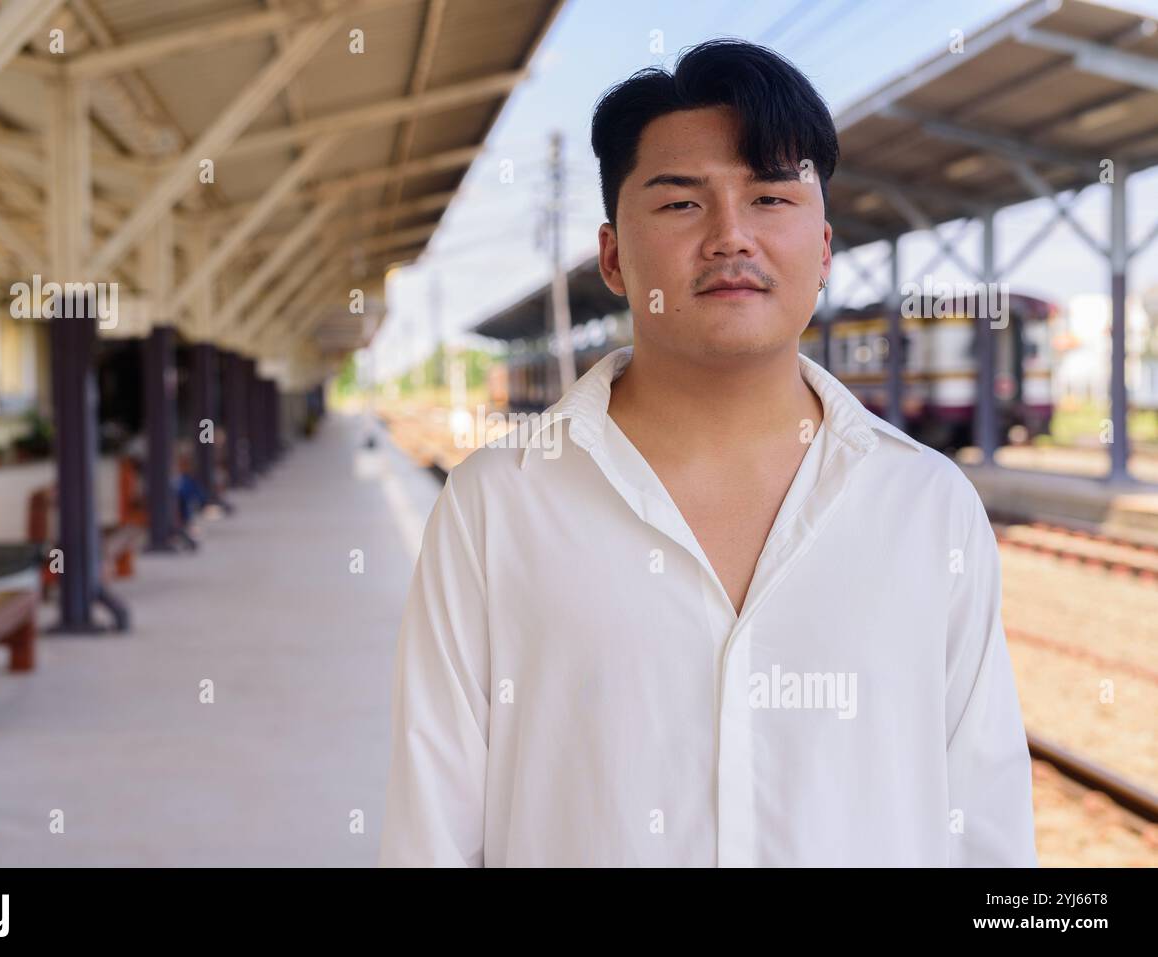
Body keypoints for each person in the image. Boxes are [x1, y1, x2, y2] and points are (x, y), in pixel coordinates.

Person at [378, 39, 1037, 867]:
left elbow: (986, 825)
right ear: (613, 256)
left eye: (769, 197)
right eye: (682, 204)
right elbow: (430, 834)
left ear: (824, 249)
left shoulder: (927, 503)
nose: (732, 237)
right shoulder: (494, 505)